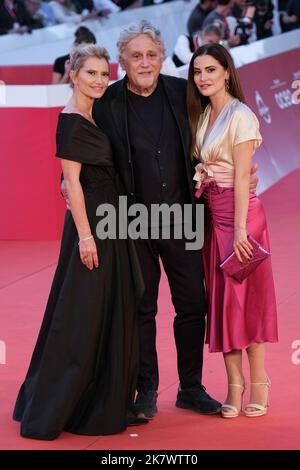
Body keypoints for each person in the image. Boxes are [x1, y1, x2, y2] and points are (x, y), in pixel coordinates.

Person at [62, 21, 259, 419]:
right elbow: (83, 148)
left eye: (152, 54)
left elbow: (223, 131)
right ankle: (146, 390)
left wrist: (243, 170)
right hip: (132, 220)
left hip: (183, 216)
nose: (145, 62)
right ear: (122, 62)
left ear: (162, 56)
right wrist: (65, 181)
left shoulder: (182, 91)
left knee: (193, 304)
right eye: (136, 56)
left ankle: (190, 387)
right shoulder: (107, 102)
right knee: (141, 306)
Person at [13, 44, 146, 440]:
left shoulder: (96, 112)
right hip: (94, 228)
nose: (100, 81)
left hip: (113, 221)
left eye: (105, 74)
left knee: (113, 306)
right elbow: (71, 181)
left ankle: (105, 397)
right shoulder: (71, 120)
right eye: (91, 74)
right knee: (84, 311)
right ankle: (63, 402)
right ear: (73, 74)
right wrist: (87, 237)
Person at [187, 43, 278, 418]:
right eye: (198, 72)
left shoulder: (241, 115)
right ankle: (233, 386)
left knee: (248, 302)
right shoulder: (204, 115)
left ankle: (259, 382)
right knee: (222, 303)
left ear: (227, 71)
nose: (204, 78)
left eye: (211, 69)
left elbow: (243, 175)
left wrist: (241, 230)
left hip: (242, 220)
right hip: (214, 218)